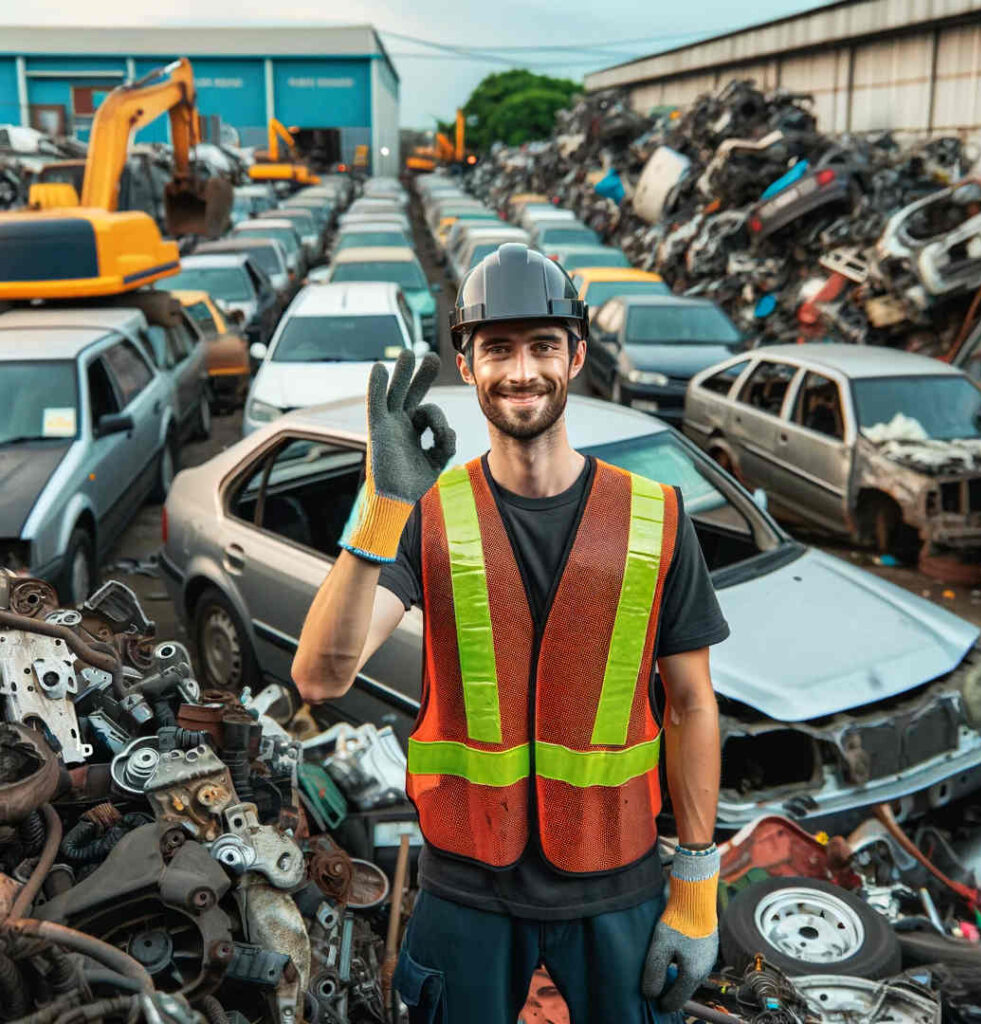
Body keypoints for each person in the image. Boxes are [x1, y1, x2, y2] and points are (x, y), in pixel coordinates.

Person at [293, 242, 729, 1023]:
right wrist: (379, 511)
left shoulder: (656, 515)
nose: (521, 370)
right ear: (467, 365)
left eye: (541, 347)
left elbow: (692, 706)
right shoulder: (427, 515)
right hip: (466, 887)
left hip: (616, 883)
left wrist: (696, 883)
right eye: (497, 348)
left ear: (577, 357)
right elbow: (320, 678)